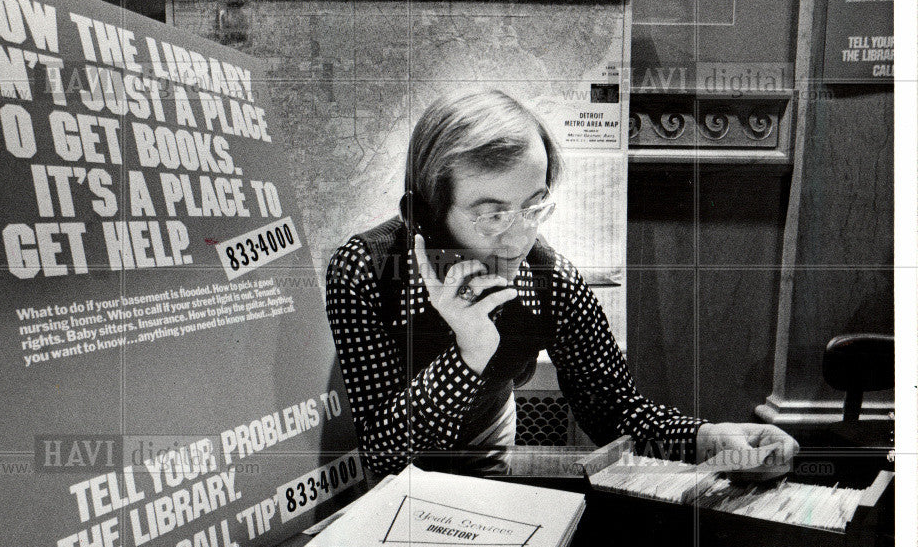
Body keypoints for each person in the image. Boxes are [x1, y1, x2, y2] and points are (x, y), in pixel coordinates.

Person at [325, 88, 799, 478]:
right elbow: (384, 454)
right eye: (492, 215)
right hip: (379, 475)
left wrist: (709, 438)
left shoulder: (552, 279)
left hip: (485, 458)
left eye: (533, 207)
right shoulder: (363, 272)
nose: (519, 238)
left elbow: (614, 409)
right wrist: (468, 352)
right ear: (424, 218)